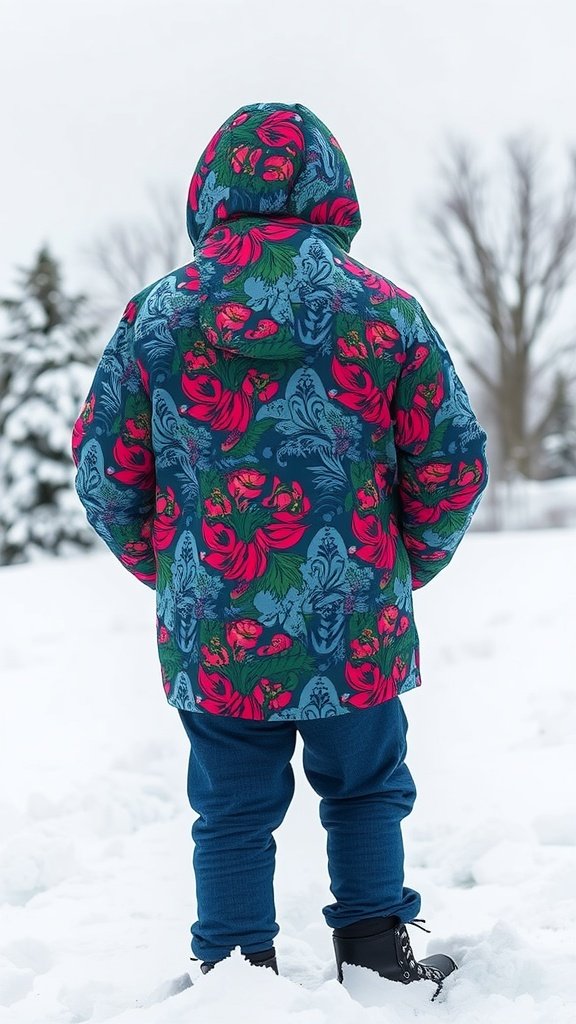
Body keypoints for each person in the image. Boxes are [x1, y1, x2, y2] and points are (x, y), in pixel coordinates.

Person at [71, 101, 489, 995]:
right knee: (368, 784)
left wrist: (179, 570)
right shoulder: (382, 311)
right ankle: (377, 953)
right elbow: (452, 458)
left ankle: (232, 971)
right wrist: (405, 561)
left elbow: (106, 473)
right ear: (330, 187)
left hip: (217, 620)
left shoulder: (156, 317)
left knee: (229, 806)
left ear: (212, 190)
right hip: (357, 616)